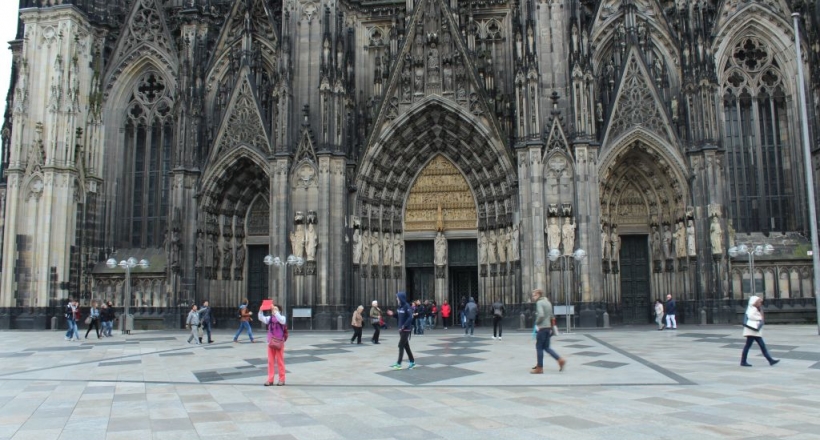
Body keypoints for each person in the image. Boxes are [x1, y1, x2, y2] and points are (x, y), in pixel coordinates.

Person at [531, 289, 566, 374]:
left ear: (539, 295)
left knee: (539, 347)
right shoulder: (548, 302)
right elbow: (551, 316)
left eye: (534, 295)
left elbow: (541, 315)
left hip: (542, 328)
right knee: (546, 347)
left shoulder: (539, 303)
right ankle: (560, 359)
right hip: (548, 328)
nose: (533, 297)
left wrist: (537, 323)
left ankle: (539, 368)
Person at [740, 295, 780, 367]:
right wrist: (760, 318)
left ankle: (770, 360)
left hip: (754, 330)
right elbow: (751, 316)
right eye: (759, 302)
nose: (760, 303)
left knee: (757, 345)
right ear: (754, 302)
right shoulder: (751, 308)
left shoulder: (756, 308)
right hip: (752, 330)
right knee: (757, 345)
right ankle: (743, 361)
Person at [258, 304, 287, 386]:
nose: (274, 310)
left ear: (279, 311)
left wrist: (276, 312)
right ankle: (270, 380)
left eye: (276, 309)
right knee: (270, 362)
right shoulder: (269, 318)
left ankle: (282, 379)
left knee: (280, 361)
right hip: (270, 342)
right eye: (273, 309)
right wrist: (260, 310)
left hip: (279, 342)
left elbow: (282, 320)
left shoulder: (282, 318)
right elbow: (261, 318)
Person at [390, 291, 416, 370]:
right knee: (406, 346)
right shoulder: (400, 307)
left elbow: (410, 317)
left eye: (397, 298)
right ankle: (412, 362)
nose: (397, 299)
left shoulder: (406, 306)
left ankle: (399, 363)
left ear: (401, 298)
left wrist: (404, 325)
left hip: (406, 329)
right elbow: (398, 316)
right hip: (401, 329)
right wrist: (392, 314)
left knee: (400, 345)